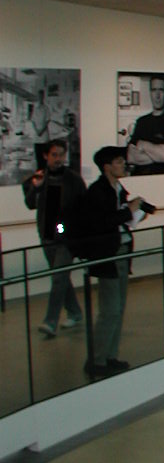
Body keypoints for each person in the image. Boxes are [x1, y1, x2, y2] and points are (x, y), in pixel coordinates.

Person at [72, 145, 150, 377]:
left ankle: (110, 355)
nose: (123, 164)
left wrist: (134, 213)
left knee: (119, 308)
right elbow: (102, 223)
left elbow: (116, 219)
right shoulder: (98, 192)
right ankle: (96, 359)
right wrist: (129, 211)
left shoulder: (117, 189)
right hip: (108, 256)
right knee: (110, 310)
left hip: (121, 252)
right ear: (107, 167)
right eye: (118, 162)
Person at [22, 140, 87, 338]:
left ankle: (50, 321)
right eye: (54, 155)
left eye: (61, 155)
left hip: (66, 237)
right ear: (46, 156)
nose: (58, 159)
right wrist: (36, 188)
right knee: (60, 277)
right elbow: (30, 204)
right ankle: (75, 312)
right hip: (47, 235)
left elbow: (83, 206)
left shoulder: (73, 179)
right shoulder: (37, 178)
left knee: (59, 278)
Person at [126, 76, 164, 174]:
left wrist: (143, 144)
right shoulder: (141, 122)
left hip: (161, 179)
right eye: (154, 90)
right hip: (141, 177)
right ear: (150, 93)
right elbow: (131, 157)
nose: (157, 95)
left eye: (161, 90)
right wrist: (158, 153)